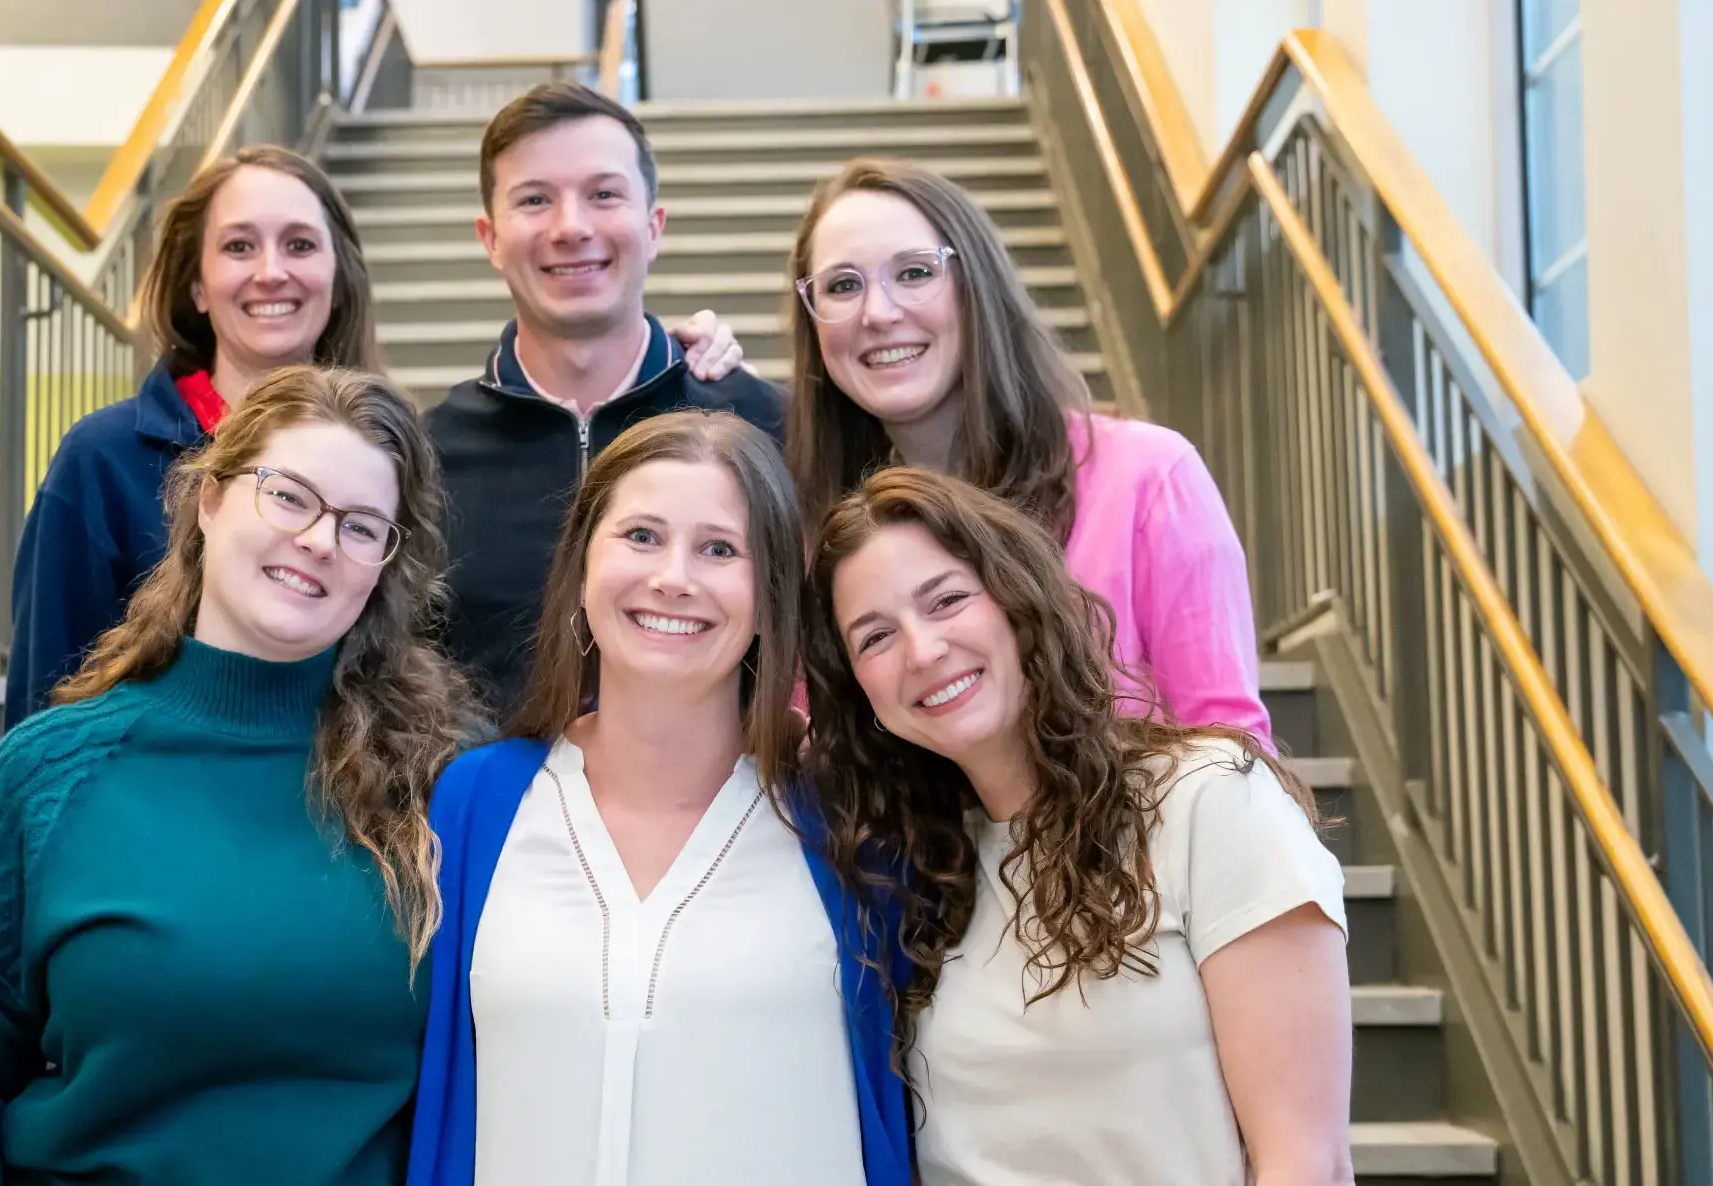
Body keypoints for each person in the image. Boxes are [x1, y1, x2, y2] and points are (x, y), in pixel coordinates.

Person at [0, 367, 474, 1185]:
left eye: (361, 525)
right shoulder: (42, 778)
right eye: (289, 496)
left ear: (383, 564)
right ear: (209, 501)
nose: (317, 540)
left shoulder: (448, 786)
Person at [2, 145, 745, 726]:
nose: (271, 273)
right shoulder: (105, 460)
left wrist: (689, 354)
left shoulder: (398, 455)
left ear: (337, 272)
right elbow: (47, 697)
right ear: (196, 284)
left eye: (299, 245)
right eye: (237, 248)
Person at [802, 467, 1352, 1186]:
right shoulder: (917, 869)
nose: (923, 650)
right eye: (875, 637)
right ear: (859, 690)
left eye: (947, 601)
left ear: (1018, 599)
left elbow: (1306, 1163)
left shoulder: (1207, 800)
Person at [409, 411, 911, 1186]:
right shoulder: (478, 802)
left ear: (769, 591)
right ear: (582, 564)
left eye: (719, 549)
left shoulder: (847, 811)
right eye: (641, 536)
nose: (674, 576)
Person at [784, 157, 1271, 742]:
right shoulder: (820, 538)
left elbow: (1233, 749)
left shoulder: (1148, 478)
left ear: (977, 286)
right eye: (842, 285)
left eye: (914, 273)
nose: (879, 313)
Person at [429, 82, 783, 713]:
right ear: (490, 238)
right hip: (494, 803)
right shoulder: (426, 457)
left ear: (654, 226)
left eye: (603, 194)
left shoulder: (766, 425)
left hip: (734, 803)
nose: (572, 227)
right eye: (535, 199)